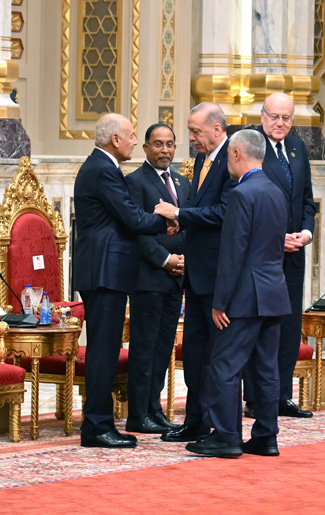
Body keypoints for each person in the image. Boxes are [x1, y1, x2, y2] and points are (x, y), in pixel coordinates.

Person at [185, 129, 290, 458]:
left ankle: (227, 436)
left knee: (224, 365)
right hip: (274, 293)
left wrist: (220, 302)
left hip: (245, 296)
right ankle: (266, 437)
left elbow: (234, 253)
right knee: (266, 369)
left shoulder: (242, 194)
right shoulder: (276, 191)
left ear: (236, 154)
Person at [73, 113, 175, 448]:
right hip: (104, 271)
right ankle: (97, 426)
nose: (134, 141)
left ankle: (100, 423)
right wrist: (164, 220)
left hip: (106, 270)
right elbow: (130, 217)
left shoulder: (103, 166)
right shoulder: (103, 169)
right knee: (103, 351)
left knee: (105, 348)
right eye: (131, 136)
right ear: (114, 139)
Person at [154, 102, 236, 443]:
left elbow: (223, 212)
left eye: (195, 131)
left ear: (216, 129)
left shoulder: (233, 159)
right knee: (195, 352)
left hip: (218, 275)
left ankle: (219, 425)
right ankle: (196, 421)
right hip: (196, 274)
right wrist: (181, 222)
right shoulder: (202, 159)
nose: (190, 138)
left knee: (216, 355)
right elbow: (201, 209)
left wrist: (180, 214)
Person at [242, 92, 316, 419]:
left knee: (288, 325)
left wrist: (307, 233)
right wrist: (275, 238)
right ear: (262, 116)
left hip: (294, 254)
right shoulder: (252, 148)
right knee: (260, 325)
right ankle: (256, 398)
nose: (280, 123)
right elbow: (244, 203)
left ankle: (282, 396)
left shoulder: (298, 149)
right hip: (263, 256)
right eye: (274, 117)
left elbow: (307, 201)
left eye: (286, 118)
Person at [124, 123, 188, 434]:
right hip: (149, 278)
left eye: (170, 144)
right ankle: (138, 414)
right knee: (145, 348)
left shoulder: (182, 182)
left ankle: (154, 409)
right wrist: (165, 260)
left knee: (163, 348)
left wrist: (184, 260)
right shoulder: (135, 182)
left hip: (177, 280)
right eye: (158, 144)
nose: (165, 150)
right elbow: (136, 231)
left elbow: (189, 225)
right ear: (146, 148)